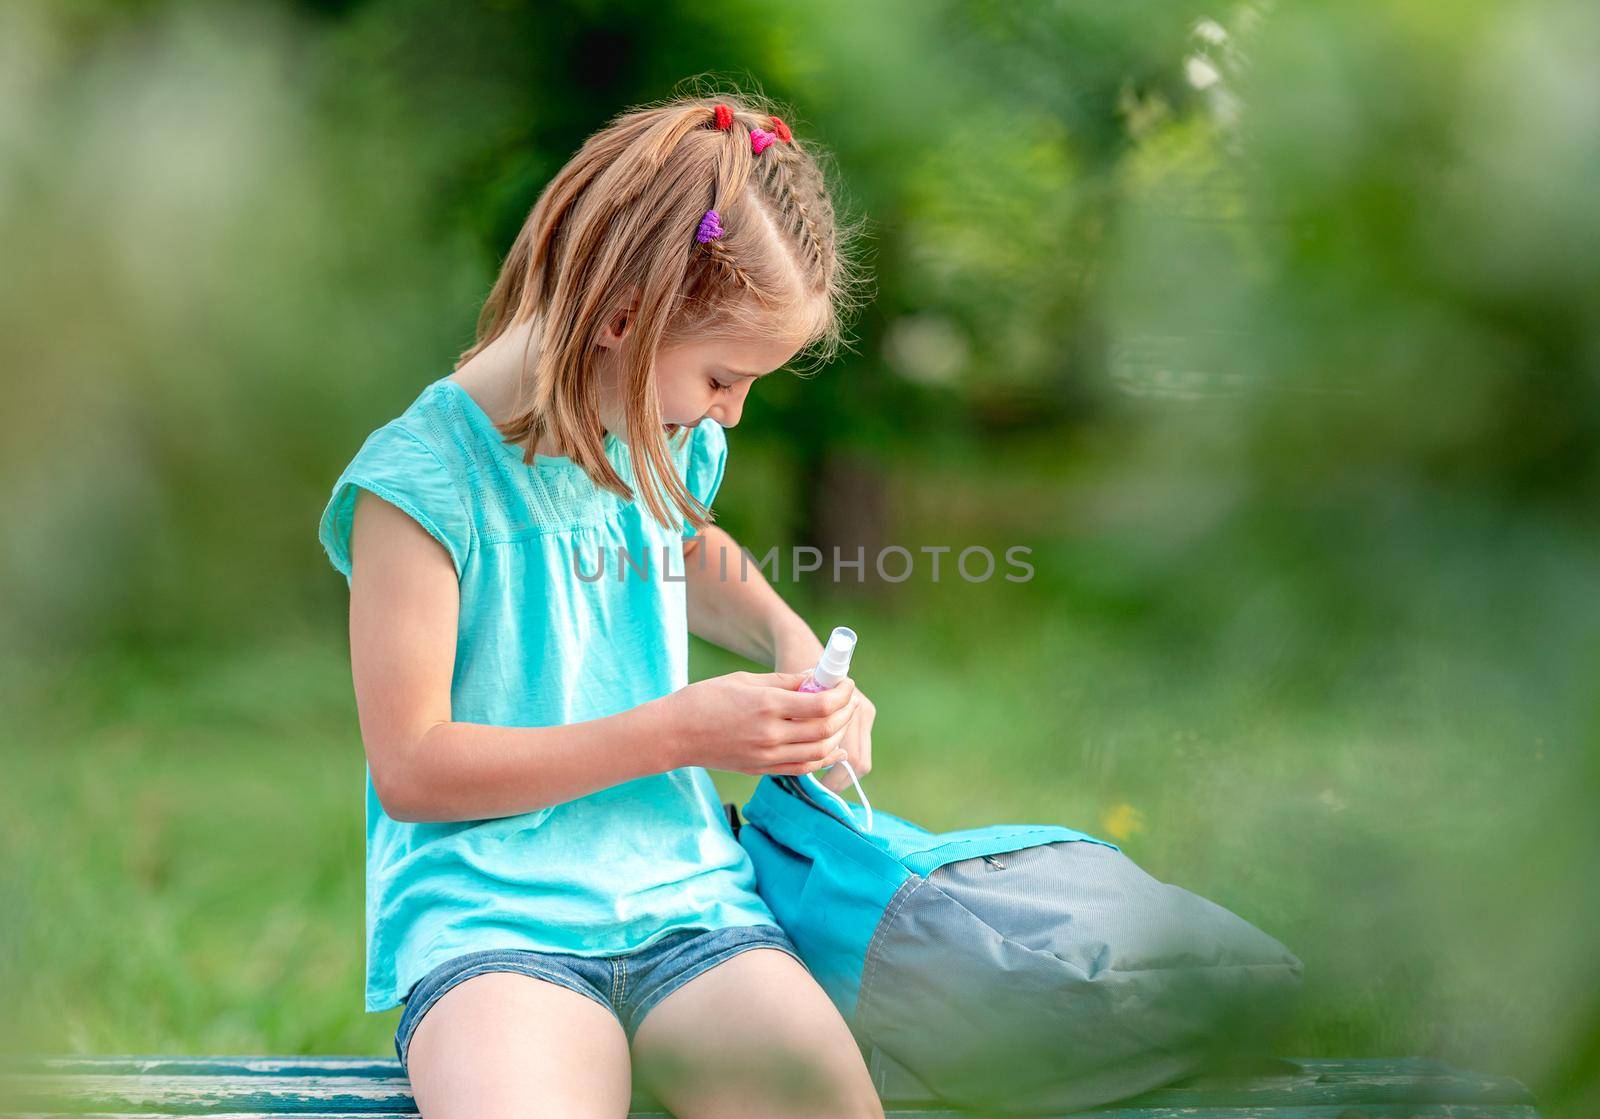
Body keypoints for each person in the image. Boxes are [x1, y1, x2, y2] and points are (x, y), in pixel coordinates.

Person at [316, 89, 883, 1118]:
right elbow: (413, 767)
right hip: (493, 925)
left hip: (688, 906)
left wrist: (786, 635)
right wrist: (679, 732)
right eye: (721, 376)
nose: (731, 411)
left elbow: (676, 543)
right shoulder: (416, 488)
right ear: (625, 317)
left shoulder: (654, 427)